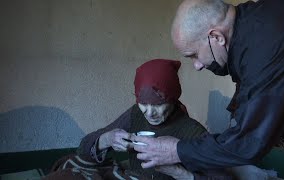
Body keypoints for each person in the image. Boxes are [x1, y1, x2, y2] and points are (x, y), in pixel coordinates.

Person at [132, 0, 284, 179]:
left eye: (194, 55)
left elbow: (249, 142)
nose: (197, 65)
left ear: (216, 37)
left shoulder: (268, 45)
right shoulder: (258, 23)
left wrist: (176, 151)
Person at [44, 59, 233, 180]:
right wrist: (106, 140)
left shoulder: (192, 131)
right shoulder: (136, 113)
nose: (149, 113)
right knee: (67, 169)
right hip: (130, 176)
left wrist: (178, 172)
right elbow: (83, 148)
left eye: (158, 104)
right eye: (143, 103)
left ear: (173, 98)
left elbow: (223, 178)